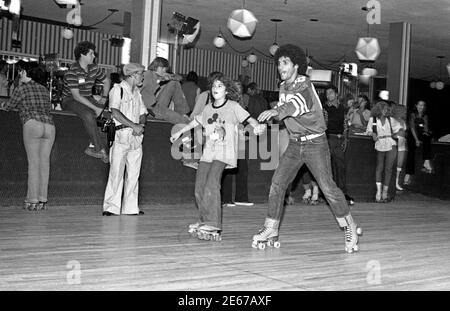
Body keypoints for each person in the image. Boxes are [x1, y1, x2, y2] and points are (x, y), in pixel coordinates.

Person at [252, 44, 362, 253]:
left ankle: (350, 226)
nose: (280, 67)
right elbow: (288, 117)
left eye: (285, 62)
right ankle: (270, 228)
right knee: (277, 184)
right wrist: (266, 122)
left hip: (315, 144)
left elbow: (295, 105)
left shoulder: (305, 85)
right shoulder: (283, 87)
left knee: (327, 187)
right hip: (295, 143)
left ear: (296, 66)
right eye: (279, 63)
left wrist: (275, 111)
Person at [170, 73, 265, 241]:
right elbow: (196, 122)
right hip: (208, 152)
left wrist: (258, 127)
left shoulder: (233, 106)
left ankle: (213, 223)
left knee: (211, 184)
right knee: (199, 187)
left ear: (227, 91)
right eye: (214, 86)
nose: (215, 89)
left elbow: (250, 119)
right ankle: (203, 220)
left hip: (224, 152)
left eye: (220, 86)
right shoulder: (207, 108)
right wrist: (179, 132)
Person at [1, 62, 55, 211]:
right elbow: (48, 108)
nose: (20, 74)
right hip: (49, 126)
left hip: (32, 124)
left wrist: (3, 106)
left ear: (28, 73)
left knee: (34, 163)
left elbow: (10, 106)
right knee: (44, 164)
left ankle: (32, 200)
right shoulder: (44, 89)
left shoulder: (21, 88)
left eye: (22, 71)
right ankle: (42, 200)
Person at [102, 63, 148, 216]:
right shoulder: (118, 90)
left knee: (134, 174)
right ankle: (111, 207)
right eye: (141, 74)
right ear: (133, 75)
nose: (142, 77)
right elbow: (115, 112)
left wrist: (140, 125)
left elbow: (143, 112)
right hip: (121, 136)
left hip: (135, 138)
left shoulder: (137, 93)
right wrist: (134, 126)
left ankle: (130, 208)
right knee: (116, 173)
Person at [61, 41, 110, 164]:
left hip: (87, 97)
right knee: (89, 114)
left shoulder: (94, 68)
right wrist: (96, 108)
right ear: (82, 55)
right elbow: (76, 96)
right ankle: (100, 150)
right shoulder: (72, 71)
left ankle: (93, 146)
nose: (94, 56)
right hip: (70, 100)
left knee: (107, 116)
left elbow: (107, 81)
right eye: (91, 53)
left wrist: (104, 97)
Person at [221, 80, 254, 207]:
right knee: (228, 168)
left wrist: (245, 131)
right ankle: (226, 198)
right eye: (236, 89)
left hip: (240, 140)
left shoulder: (242, 103)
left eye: (240, 89)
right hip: (228, 139)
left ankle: (241, 197)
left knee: (242, 168)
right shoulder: (226, 103)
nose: (239, 91)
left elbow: (245, 120)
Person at [323, 85, 355, 205]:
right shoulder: (325, 108)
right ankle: (331, 196)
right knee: (330, 168)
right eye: (327, 93)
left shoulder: (343, 108)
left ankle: (342, 194)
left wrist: (345, 139)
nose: (328, 95)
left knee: (340, 168)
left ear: (336, 94)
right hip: (329, 138)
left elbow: (345, 124)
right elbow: (323, 125)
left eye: (331, 93)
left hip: (339, 139)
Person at [366, 101, 403, 202]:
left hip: (390, 143)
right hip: (379, 143)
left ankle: (385, 192)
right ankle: (378, 191)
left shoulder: (390, 120)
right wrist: (372, 133)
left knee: (388, 169)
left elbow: (400, 128)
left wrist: (396, 134)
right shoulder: (372, 119)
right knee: (379, 167)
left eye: (387, 109)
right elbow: (368, 130)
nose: (387, 110)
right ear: (379, 109)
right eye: (385, 108)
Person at [141, 57, 190, 124]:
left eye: (165, 68)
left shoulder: (158, 75)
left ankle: (182, 112)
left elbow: (179, 78)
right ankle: (185, 120)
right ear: (155, 66)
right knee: (184, 121)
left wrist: (168, 77)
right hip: (151, 110)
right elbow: (138, 89)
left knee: (174, 82)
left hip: (157, 105)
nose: (164, 70)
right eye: (162, 68)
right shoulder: (147, 75)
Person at [404, 100, 433, 185]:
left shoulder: (425, 116)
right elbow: (412, 128)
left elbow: (426, 128)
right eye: (420, 105)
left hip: (420, 134)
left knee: (427, 136)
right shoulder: (412, 114)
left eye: (423, 105)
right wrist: (417, 139)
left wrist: (426, 132)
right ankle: (408, 174)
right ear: (416, 106)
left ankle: (426, 161)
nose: (421, 107)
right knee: (411, 153)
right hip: (412, 135)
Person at [391, 102, 408, 191]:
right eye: (404, 111)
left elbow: (404, 132)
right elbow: (390, 132)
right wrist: (397, 133)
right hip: (395, 141)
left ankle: (396, 182)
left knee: (400, 163)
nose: (405, 113)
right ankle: (392, 182)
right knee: (394, 162)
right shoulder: (392, 120)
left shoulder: (403, 121)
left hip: (402, 142)